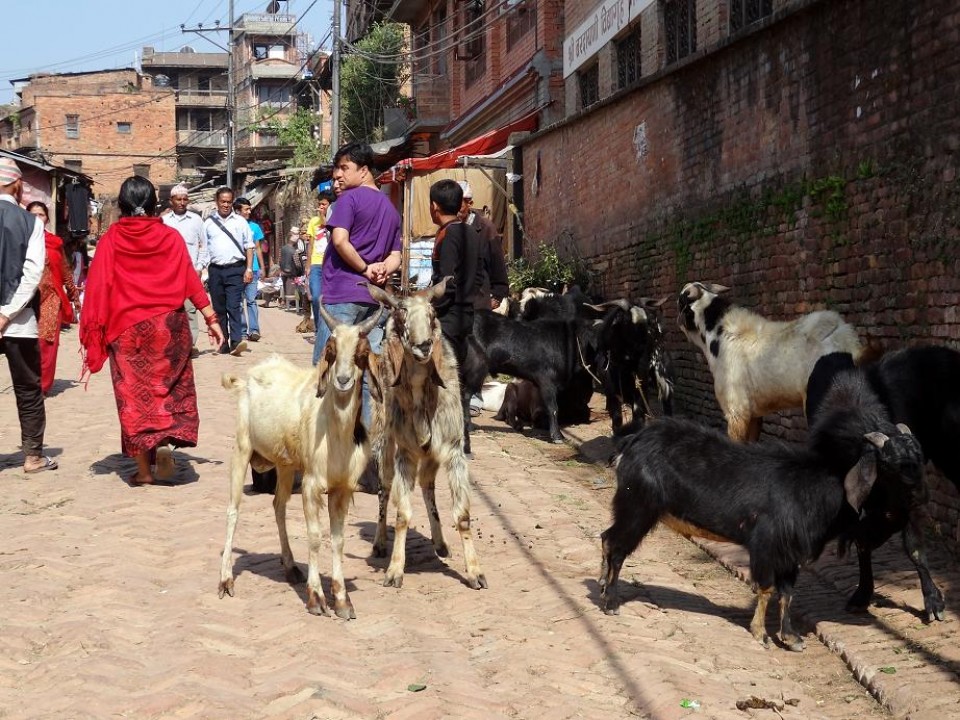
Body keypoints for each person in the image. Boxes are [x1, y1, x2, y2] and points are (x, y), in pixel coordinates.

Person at [79, 176, 225, 486]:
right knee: (166, 392)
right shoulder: (170, 237)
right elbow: (190, 279)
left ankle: (144, 471)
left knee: (134, 399)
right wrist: (210, 317)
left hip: (127, 332)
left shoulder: (110, 240)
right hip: (169, 327)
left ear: (121, 205)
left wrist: (93, 336)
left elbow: (97, 289)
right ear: (154, 203)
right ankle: (162, 444)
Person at [314, 143, 402, 419]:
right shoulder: (390, 207)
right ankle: (363, 436)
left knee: (325, 367)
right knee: (367, 370)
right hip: (375, 302)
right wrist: (380, 271)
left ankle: (323, 439)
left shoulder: (348, 200)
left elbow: (339, 241)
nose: (338, 174)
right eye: (336, 168)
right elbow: (396, 256)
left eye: (344, 168)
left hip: (342, 295)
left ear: (364, 171)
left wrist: (365, 269)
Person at [0, 158, 55, 474]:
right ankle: (33, 456)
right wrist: (6, 314)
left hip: (12, 319)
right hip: (20, 324)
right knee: (28, 391)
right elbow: (32, 273)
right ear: (17, 184)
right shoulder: (32, 223)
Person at [25, 201, 81, 396]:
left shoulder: (54, 243)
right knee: (26, 344)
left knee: (46, 342)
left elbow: (65, 271)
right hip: (24, 301)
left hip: (51, 298)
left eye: (40, 215)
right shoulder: (19, 241)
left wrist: (74, 296)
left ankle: (42, 385)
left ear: (47, 219)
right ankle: (29, 382)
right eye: (32, 215)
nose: (36, 218)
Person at [203, 186, 254, 355]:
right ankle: (223, 342)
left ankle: (237, 342)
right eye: (222, 201)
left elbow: (249, 246)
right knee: (219, 308)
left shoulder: (240, 222)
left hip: (235, 269)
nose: (226, 205)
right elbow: (204, 248)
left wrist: (248, 269)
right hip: (215, 270)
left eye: (229, 202)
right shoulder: (208, 223)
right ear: (217, 202)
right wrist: (203, 271)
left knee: (234, 306)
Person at [161, 184, 208, 356]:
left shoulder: (196, 221)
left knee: (190, 310)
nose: (182, 202)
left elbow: (204, 246)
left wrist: (200, 267)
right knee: (171, 310)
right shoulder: (165, 222)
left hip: (191, 273)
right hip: (170, 275)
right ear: (171, 201)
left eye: (185, 199)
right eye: (178, 199)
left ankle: (191, 343)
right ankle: (172, 343)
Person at [458, 181, 509, 311]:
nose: (456, 210)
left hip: (479, 304)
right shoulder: (449, 229)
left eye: (459, 204)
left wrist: (496, 297)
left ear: (470, 204)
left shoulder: (486, 229)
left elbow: (498, 267)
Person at [305, 191, 334, 363]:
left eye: (323, 204)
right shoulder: (313, 222)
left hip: (331, 265)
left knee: (328, 300)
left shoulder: (335, 220)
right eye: (319, 204)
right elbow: (311, 245)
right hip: (316, 264)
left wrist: (325, 217)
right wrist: (308, 264)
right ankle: (318, 331)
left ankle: (327, 331)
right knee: (316, 297)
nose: (320, 207)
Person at [233, 197, 266, 342]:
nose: (249, 211)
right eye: (246, 209)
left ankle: (254, 330)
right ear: (237, 211)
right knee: (239, 302)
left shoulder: (255, 227)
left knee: (251, 300)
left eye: (249, 208)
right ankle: (241, 331)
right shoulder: (231, 227)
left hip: (253, 269)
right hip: (237, 269)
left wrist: (262, 268)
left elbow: (258, 248)